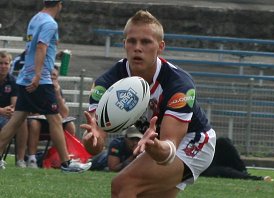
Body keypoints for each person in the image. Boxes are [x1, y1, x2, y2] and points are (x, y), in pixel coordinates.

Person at [81, 10, 216, 197]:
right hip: (157, 142)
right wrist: (92, 140)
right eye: (132, 41)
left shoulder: (179, 85)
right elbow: (96, 142)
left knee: (123, 185)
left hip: (194, 142)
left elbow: (170, 147)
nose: (137, 48)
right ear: (124, 44)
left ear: (160, 47)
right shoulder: (106, 84)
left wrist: (155, 147)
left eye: (145, 42)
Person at [0, 0, 91, 172]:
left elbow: (35, 47)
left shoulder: (36, 18)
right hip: (39, 81)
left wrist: (52, 56)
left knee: (16, 120)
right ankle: (66, 163)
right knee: (56, 119)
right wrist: (38, 74)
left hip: (26, 77)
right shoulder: (50, 23)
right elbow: (41, 46)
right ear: (59, 4)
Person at [19, 65, 76, 168]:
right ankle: (32, 158)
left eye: (54, 75)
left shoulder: (57, 89)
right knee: (35, 124)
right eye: (50, 75)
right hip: (38, 120)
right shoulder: (37, 86)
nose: (52, 77)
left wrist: (57, 94)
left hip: (52, 121)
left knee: (70, 125)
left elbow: (64, 113)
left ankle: (57, 157)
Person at [0, 51, 29, 169]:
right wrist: (1, 110)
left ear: (10, 65)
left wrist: (11, 110)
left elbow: (15, 103)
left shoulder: (13, 81)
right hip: (1, 113)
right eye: (0, 63)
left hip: (6, 115)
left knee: (21, 120)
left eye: (6, 63)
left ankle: (20, 160)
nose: (3, 66)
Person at [201, 137, 274, 182]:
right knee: (223, 171)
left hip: (207, 156)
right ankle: (254, 178)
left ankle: (242, 171)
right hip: (202, 166)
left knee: (223, 141)